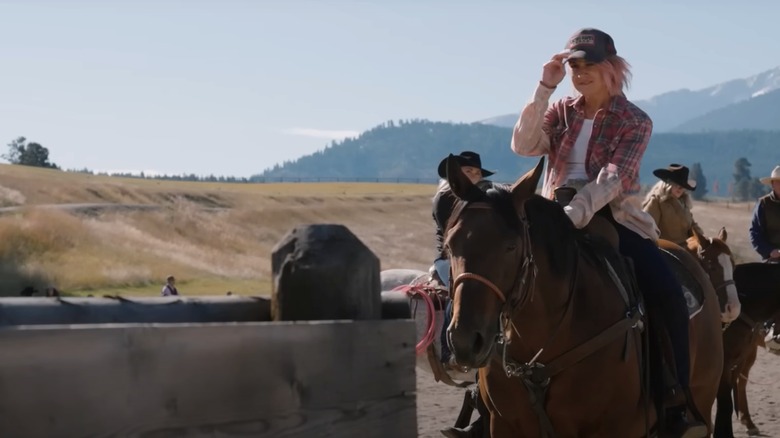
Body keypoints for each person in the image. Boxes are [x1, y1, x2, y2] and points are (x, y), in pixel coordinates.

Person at [509, 28, 706, 437]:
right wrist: (545, 86)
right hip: (551, 219)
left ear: (611, 68)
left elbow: (615, 177)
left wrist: (574, 213)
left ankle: (675, 399)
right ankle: (485, 399)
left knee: (668, 293)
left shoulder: (635, 120)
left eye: (588, 65)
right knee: (500, 281)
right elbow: (525, 146)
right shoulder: (561, 109)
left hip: (610, 218)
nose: (579, 73)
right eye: (574, 65)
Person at [432, 151, 495, 438]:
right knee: (457, 288)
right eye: (466, 171)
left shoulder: (482, 197)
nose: (472, 176)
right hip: (451, 257)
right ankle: (450, 350)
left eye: (476, 172)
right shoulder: (446, 196)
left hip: (478, 258)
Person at [642, 164, 705, 246]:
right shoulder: (656, 201)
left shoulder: (684, 203)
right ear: (667, 183)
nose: (680, 188)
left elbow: (691, 225)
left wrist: (703, 240)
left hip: (685, 250)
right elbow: (647, 228)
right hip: (665, 251)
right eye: (676, 184)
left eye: (682, 186)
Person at [749, 165, 780, 262]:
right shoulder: (763, 204)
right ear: (772, 184)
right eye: (778, 182)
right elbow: (755, 232)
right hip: (773, 259)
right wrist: (769, 250)